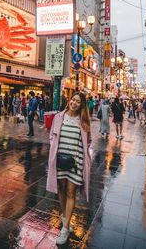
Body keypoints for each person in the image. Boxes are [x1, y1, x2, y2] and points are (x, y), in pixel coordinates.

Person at [46, 92, 91, 245]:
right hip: (59, 160)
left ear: (82, 105)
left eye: (78, 102)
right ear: (69, 100)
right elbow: (52, 134)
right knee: (61, 189)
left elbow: (88, 141)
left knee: (71, 192)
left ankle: (65, 229)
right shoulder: (59, 117)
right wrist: (54, 146)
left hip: (75, 162)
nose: (74, 103)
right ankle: (66, 218)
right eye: (73, 100)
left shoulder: (83, 121)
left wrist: (79, 154)